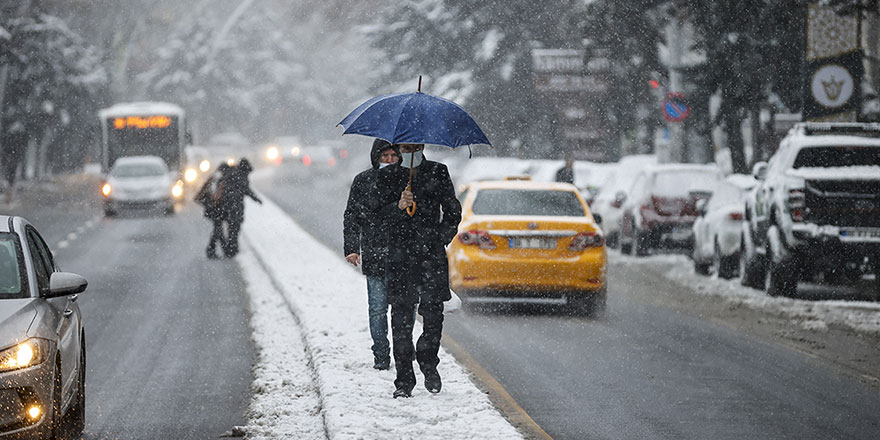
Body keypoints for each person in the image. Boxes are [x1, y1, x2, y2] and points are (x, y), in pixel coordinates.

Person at [377, 143, 461, 398]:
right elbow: (377, 218)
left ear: (422, 146)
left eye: (414, 146)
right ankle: (404, 379)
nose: (409, 149)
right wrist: (398, 207)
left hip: (431, 257)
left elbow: (453, 210)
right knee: (400, 320)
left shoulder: (438, 171)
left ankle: (428, 360)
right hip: (400, 260)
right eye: (405, 146)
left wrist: (441, 237)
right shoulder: (388, 176)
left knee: (433, 315)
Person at [343, 139, 399, 370]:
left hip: (403, 255)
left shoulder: (408, 180)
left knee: (404, 309)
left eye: (393, 155)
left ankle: (403, 352)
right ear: (376, 157)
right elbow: (352, 216)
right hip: (375, 251)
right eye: (384, 155)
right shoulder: (363, 181)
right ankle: (381, 355)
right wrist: (352, 248)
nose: (389, 160)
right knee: (377, 309)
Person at [221, 158, 262, 257]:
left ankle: (230, 248)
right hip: (235, 206)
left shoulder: (233, 174)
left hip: (229, 205)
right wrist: (256, 198)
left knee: (231, 227)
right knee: (234, 227)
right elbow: (246, 190)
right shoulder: (240, 176)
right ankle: (231, 248)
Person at [195, 163, 233, 259]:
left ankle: (219, 251)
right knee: (218, 230)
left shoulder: (213, 178)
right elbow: (216, 196)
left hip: (213, 209)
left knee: (218, 230)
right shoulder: (220, 180)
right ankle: (217, 250)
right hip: (215, 209)